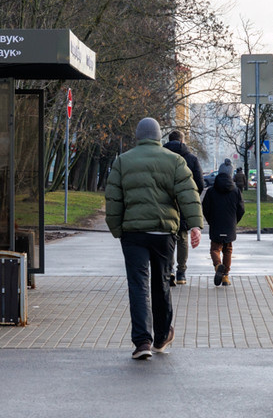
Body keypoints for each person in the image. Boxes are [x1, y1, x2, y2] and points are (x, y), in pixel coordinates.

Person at [106, 117, 203, 361]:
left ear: (138, 136)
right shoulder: (175, 160)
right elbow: (188, 193)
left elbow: (114, 199)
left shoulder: (123, 161)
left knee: (138, 285)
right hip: (163, 232)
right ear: (159, 136)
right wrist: (195, 225)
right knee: (161, 283)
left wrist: (117, 230)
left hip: (133, 234)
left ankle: (142, 342)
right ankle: (161, 336)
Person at [163, 129, 204, 286]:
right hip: (184, 203)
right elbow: (200, 183)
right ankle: (181, 273)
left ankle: (169, 270)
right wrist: (191, 197)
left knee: (167, 236)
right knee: (182, 236)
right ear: (182, 141)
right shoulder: (191, 159)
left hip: (165, 202)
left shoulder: (162, 157)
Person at [201, 163, 245, 286]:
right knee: (228, 250)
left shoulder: (211, 191)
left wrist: (211, 221)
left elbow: (205, 208)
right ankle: (225, 276)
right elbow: (241, 209)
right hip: (230, 224)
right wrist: (234, 221)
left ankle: (217, 265)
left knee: (215, 249)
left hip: (216, 223)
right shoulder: (236, 191)